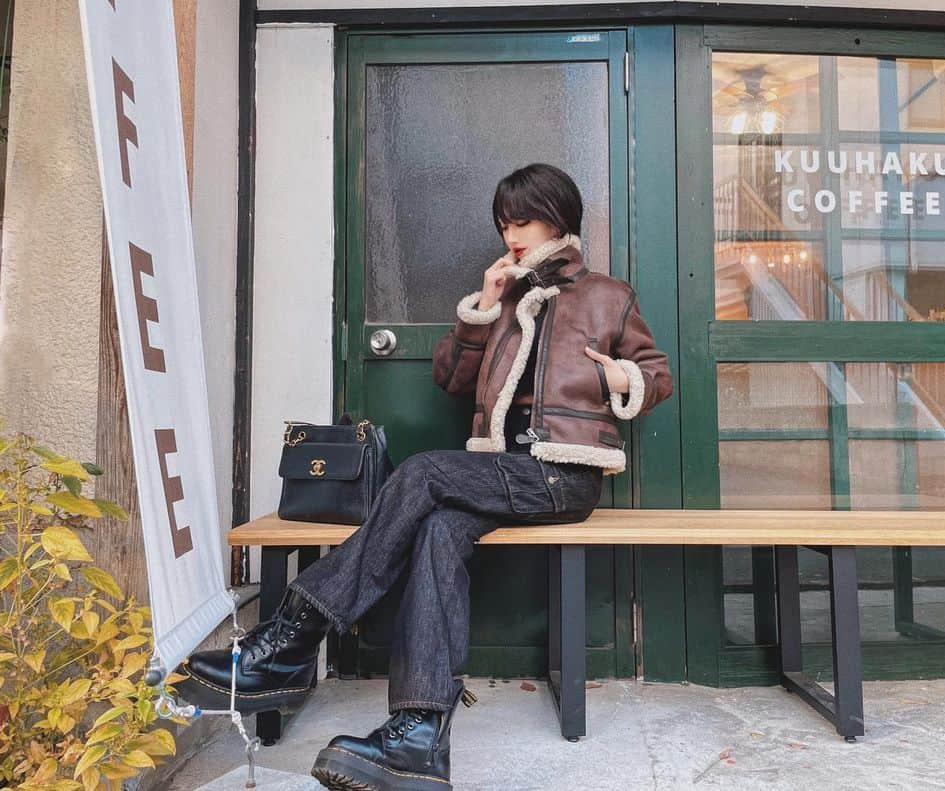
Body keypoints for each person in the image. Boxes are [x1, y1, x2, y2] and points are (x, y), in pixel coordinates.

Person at [176, 163, 674, 791]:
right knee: (438, 530)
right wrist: (484, 309)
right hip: (499, 468)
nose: (511, 233)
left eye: (521, 219)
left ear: (557, 217)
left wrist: (616, 377)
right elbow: (451, 378)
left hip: (560, 474)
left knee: (421, 472)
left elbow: (657, 375)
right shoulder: (506, 293)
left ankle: (292, 638)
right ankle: (417, 735)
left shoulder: (607, 294)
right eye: (503, 223)